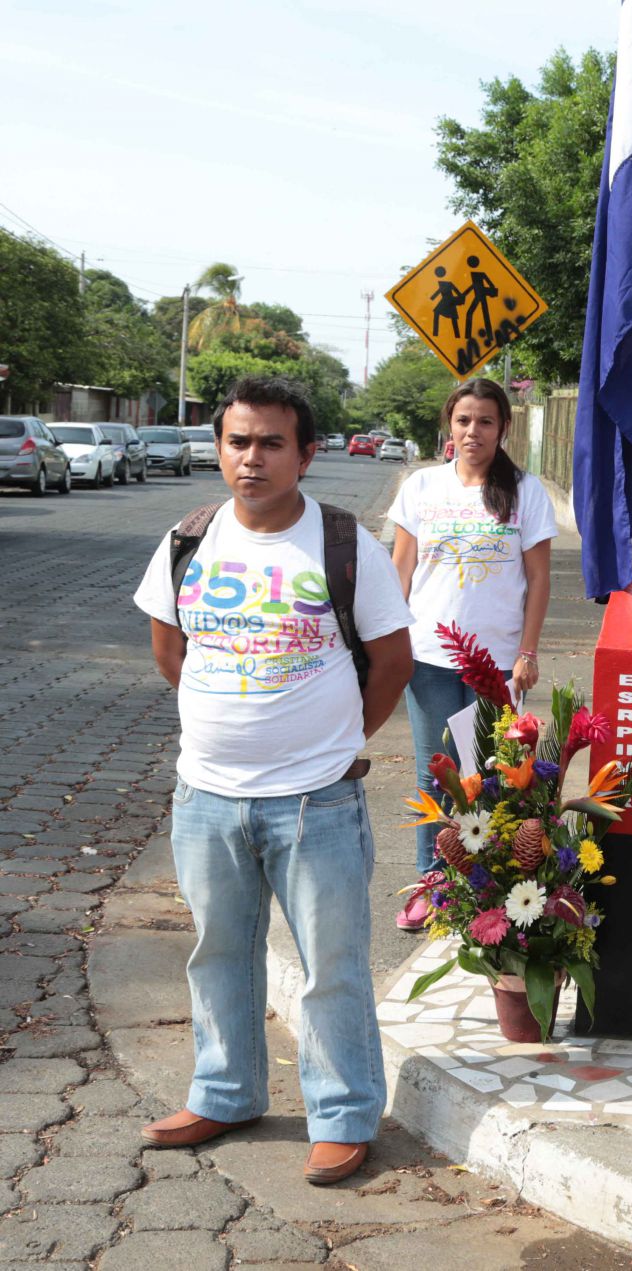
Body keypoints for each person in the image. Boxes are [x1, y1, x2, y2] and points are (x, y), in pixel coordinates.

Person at [132, 376, 414, 1185]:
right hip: (206, 796)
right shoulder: (188, 538)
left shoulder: (345, 544)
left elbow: (391, 664)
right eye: (238, 441)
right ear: (219, 448)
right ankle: (224, 1092)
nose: (251, 459)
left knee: (333, 964)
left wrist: (330, 742)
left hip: (315, 801)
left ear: (307, 453)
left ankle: (344, 1115)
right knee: (218, 952)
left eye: (271, 443)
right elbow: (169, 648)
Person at [388, 379, 557, 929]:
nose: (473, 431)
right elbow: (402, 571)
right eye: (463, 421)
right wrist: (387, 644)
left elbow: (538, 578)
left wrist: (528, 650)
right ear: (449, 426)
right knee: (436, 773)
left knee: (491, 772)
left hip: (499, 662)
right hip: (428, 655)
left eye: (485, 421)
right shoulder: (421, 488)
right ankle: (430, 884)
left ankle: (484, 886)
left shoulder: (525, 491)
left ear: (503, 428)